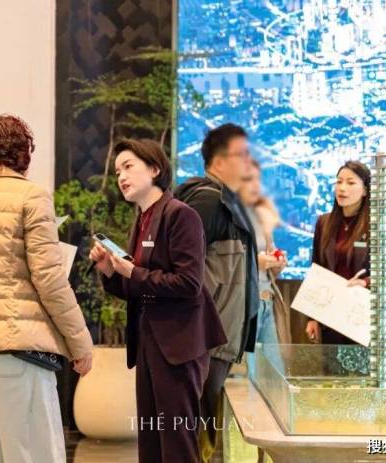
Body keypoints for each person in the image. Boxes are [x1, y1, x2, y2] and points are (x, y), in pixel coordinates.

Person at [0, 115, 93, 463]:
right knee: (33, 454)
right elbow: (49, 279)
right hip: (17, 349)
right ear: (21, 151)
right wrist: (80, 342)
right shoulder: (31, 196)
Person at [90, 139, 227, 463]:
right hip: (150, 342)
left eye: (128, 166)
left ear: (154, 169)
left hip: (179, 346)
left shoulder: (181, 215)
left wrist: (133, 271)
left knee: (177, 443)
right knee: (151, 442)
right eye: (117, 171)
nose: (121, 176)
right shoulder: (142, 219)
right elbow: (138, 287)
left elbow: (189, 283)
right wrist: (110, 271)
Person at [174, 123, 258, 462]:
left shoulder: (226, 201)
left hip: (214, 336)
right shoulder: (208, 202)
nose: (249, 163)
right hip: (206, 338)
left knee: (204, 427)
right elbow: (185, 271)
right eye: (242, 155)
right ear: (219, 162)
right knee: (197, 431)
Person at [305, 160, 371, 344]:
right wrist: (312, 317)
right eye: (339, 181)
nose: (342, 188)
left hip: (362, 314)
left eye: (350, 183)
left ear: (365, 190)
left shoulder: (375, 224)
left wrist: (365, 282)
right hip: (330, 313)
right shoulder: (324, 222)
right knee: (330, 361)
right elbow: (317, 268)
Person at [238, 159, 290, 380]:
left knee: (274, 375)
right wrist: (254, 263)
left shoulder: (260, 217)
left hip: (266, 301)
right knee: (248, 377)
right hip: (244, 304)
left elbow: (268, 261)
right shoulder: (230, 216)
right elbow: (218, 265)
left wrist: (277, 262)